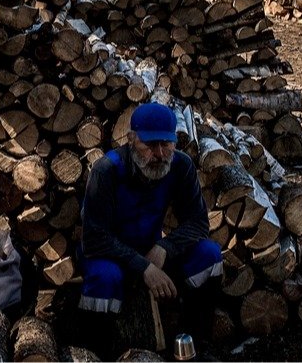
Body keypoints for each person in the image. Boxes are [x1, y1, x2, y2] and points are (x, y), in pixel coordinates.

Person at [77, 102, 222, 353]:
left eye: (166, 145)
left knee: (209, 256)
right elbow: (94, 238)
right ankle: (98, 353)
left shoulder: (181, 165)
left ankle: (194, 346)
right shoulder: (107, 171)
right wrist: (143, 266)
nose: (159, 154)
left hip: (153, 249)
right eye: (150, 145)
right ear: (132, 139)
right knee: (105, 277)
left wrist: (165, 247)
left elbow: (198, 222)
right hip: (110, 255)